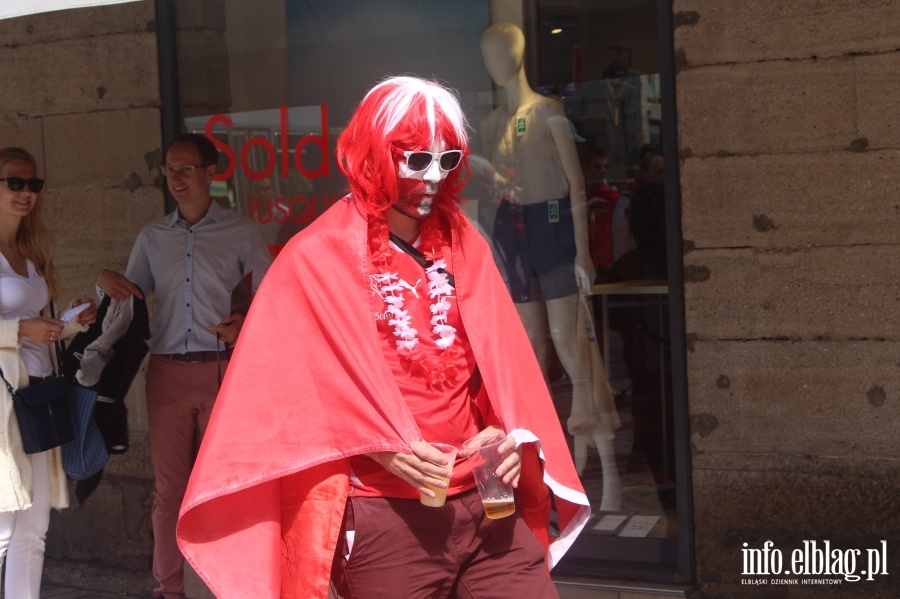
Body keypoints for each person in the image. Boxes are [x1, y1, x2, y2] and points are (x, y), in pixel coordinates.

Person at [176, 76, 591, 598]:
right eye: (417, 160)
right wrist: (377, 446)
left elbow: (504, 367)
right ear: (374, 155)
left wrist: (507, 430)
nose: (434, 178)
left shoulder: (467, 242)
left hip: (488, 507)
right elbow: (283, 399)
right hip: (384, 515)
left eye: (448, 162)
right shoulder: (315, 257)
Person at [96, 133, 272, 599]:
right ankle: (167, 590)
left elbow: (273, 300)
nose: (175, 178)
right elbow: (126, 297)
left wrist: (245, 325)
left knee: (229, 487)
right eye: (169, 170)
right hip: (167, 373)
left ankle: (233, 587)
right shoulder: (153, 236)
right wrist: (102, 281)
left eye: (185, 169)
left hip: (222, 371)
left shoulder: (242, 231)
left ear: (211, 174)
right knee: (168, 492)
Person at [0, 146, 97, 599]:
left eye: (33, 185)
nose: (25, 193)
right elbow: (22, 327)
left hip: (38, 396)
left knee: (34, 526)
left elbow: (42, 330)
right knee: (3, 524)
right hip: (3, 400)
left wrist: (71, 321)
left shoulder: (31, 249)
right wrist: (21, 326)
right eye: (14, 183)